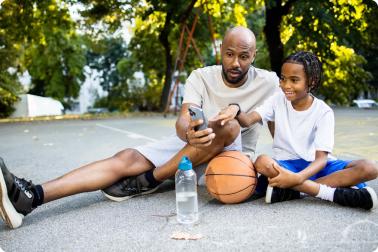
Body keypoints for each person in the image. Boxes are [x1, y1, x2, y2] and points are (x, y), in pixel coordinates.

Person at [0, 26, 279, 229]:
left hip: (232, 159)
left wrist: (288, 166)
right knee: (126, 158)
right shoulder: (200, 77)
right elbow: (183, 120)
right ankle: (32, 196)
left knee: (228, 126)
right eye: (229, 54)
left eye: (243, 56)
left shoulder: (269, 82)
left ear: (254, 55)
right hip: (197, 144)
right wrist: (190, 133)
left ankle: (150, 179)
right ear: (221, 50)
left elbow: (278, 124)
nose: (235, 63)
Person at [217, 51, 378, 209]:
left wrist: (296, 179)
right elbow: (247, 120)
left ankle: (295, 192)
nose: (286, 85)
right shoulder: (277, 100)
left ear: (311, 82)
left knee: (370, 168)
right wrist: (236, 109)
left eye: (294, 80)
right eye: (283, 79)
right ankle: (329, 193)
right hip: (286, 166)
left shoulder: (323, 112)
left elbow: (321, 160)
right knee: (262, 162)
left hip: (319, 167)